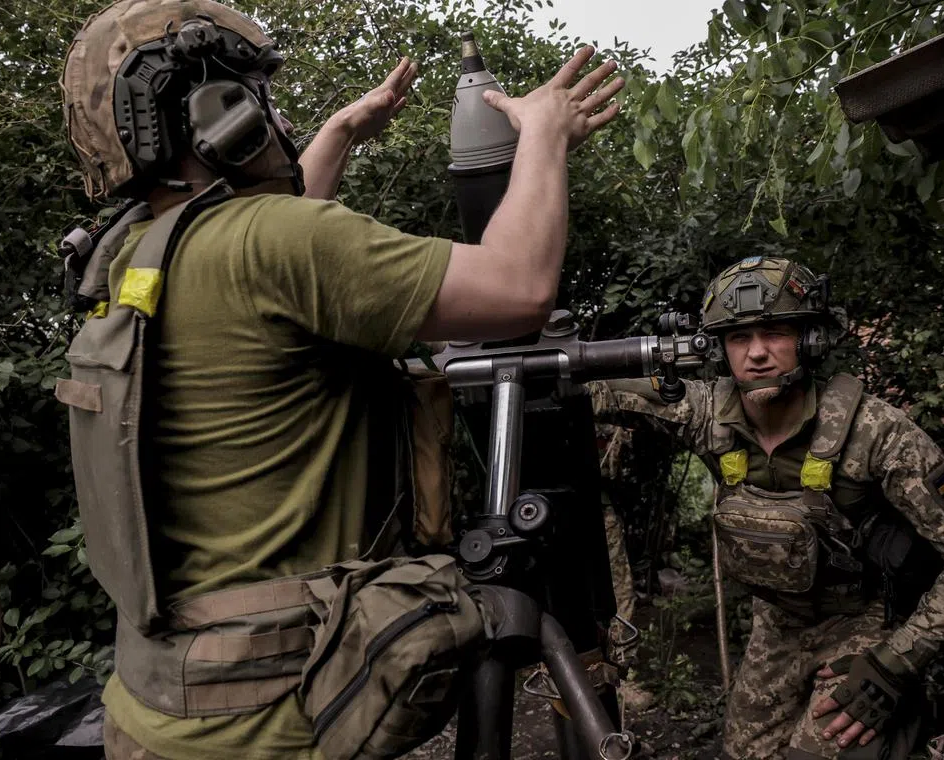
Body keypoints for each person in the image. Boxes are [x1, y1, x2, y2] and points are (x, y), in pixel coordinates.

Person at [56, 1, 623, 758]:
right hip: (273, 722)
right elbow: (517, 285)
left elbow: (272, 261)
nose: (277, 118)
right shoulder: (275, 242)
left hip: (159, 710)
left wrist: (339, 134)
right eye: (261, 96)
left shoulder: (129, 256)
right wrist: (544, 136)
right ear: (215, 111)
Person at [588, 256, 944, 759]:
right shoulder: (710, 416)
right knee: (744, 752)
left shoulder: (874, 431)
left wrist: (896, 665)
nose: (756, 354)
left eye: (774, 332)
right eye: (737, 338)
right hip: (776, 628)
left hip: (860, 624)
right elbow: (595, 391)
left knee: (827, 748)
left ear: (811, 339)